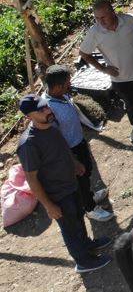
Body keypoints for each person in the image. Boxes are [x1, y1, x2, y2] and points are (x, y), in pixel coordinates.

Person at [16, 94, 112, 273]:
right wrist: (48, 205)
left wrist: (75, 163)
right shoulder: (29, 144)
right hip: (57, 194)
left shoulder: (51, 127)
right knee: (70, 229)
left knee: (78, 219)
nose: (47, 110)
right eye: (41, 110)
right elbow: (31, 179)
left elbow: (63, 148)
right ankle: (83, 261)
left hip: (71, 184)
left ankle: (87, 245)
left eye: (46, 106)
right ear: (29, 116)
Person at [79, 0, 133, 145]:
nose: (100, 21)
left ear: (112, 12)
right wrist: (103, 68)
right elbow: (84, 53)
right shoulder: (94, 32)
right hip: (121, 79)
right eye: (97, 18)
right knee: (131, 106)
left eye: (103, 17)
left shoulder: (129, 20)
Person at [43, 64, 114, 223]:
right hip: (70, 150)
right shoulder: (48, 108)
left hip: (78, 141)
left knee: (87, 171)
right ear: (58, 86)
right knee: (80, 179)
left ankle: (90, 196)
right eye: (68, 83)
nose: (71, 85)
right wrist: (73, 161)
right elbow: (56, 139)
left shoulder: (61, 95)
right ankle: (89, 208)